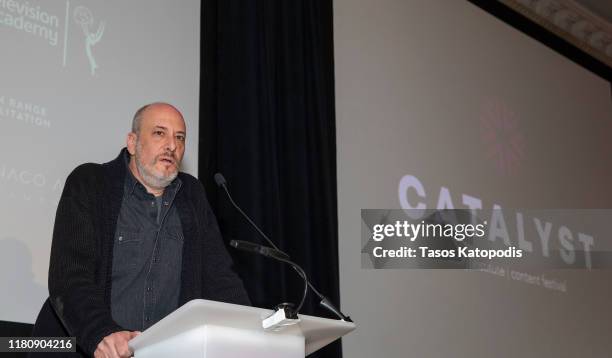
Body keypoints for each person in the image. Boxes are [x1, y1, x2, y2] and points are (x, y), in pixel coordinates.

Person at [30, 103, 250, 358]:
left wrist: (251, 333)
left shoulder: (192, 195)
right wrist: (100, 332)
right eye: (159, 133)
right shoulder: (91, 182)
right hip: (82, 348)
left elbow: (219, 278)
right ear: (132, 142)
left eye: (180, 137)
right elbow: (70, 275)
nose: (172, 145)